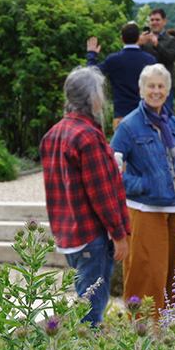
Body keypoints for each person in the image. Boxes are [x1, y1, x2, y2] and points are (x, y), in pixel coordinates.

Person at [40, 66, 130, 326]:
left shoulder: (53, 133)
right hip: (92, 235)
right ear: (93, 98)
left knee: (82, 300)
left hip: (68, 233)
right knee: (91, 309)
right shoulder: (88, 136)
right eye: (101, 93)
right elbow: (101, 194)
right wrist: (119, 234)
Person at [110, 63, 175, 316]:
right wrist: (143, 184)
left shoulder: (173, 123)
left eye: (161, 86)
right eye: (151, 86)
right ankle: (143, 330)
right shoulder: (129, 126)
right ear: (141, 90)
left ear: (168, 90)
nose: (156, 91)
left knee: (173, 274)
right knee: (147, 272)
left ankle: (168, 329)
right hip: (145, 209)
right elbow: (112, 172)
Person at [86, 22, 157, 131]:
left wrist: (92, 54)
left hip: (121, 115)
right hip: (145, 115)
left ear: (122, 39)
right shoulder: (150, 60)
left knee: (120, 147)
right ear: (139, 38)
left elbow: (92, 73)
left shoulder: (114, 60)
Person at [140, 9, 175, 112]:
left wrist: (157, 45)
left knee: (166, 116)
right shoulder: (145, 40)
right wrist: (138, 44)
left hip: (164, 86)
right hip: (147, 85)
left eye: (157, 20)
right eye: (152, 20)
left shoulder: (171, 40)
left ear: (164, 21)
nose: (154, 23)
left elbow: (171, 58)